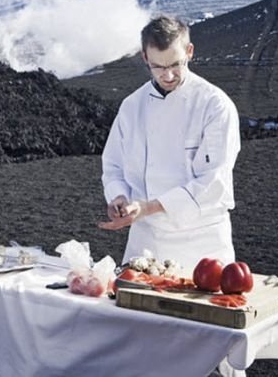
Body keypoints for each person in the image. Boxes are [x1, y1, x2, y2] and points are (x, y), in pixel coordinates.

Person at [99, 15, 241, 273]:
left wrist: (148, 207)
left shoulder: (214, 105)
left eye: (176, 64)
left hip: (202, 245)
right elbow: (113, 166)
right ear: (145, 58)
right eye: (158, 67)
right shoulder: (132, 106)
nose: (168, 75)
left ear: (189, 51)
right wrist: (118, 197)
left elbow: (214, 181)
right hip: (145, 242)